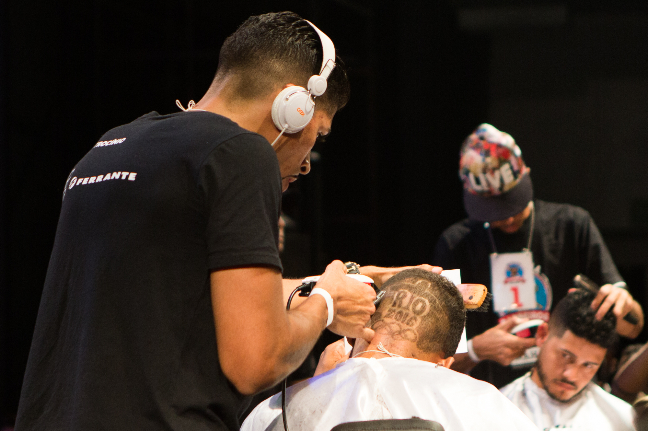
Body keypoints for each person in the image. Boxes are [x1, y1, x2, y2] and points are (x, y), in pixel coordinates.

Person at [15, 12, 426, 431]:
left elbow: (181, 291)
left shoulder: (110, 146)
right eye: (317, 134)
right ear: (295, 107)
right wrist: (326, 304)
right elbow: (256, 361)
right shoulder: (241, 155)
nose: (305, 165)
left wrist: (316, 286)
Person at [432, 123, 644, 387]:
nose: (507, 215)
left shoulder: (572, 225)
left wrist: (623, 304)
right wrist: (476, 349)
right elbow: (436, 363)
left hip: (569, 394)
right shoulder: (456, 244)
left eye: (511, 200)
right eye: (493, 209)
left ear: (526, 174)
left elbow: (632, 327)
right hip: (491, 397)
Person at [241, 269, 540, 431]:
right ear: (446, 363)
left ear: (361, 326)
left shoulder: (273, 414)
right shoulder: (486, 404)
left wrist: (316, 387)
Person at [500, 289, 634, 430]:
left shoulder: (621, 421)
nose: (571, 375)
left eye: (588, 365)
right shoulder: (495, 410)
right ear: (542, 335)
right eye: (566, 356)